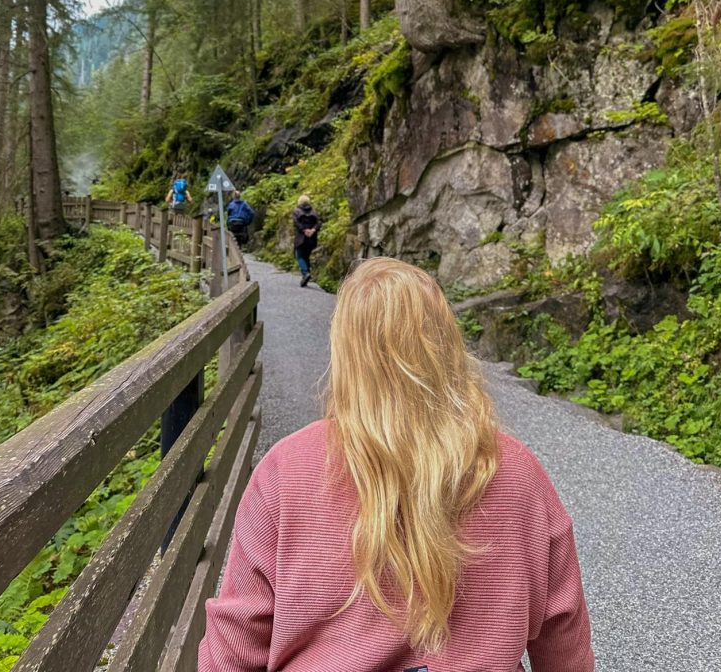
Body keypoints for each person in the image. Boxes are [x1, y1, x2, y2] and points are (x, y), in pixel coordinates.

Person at [198, 258, 595, 672]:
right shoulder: (517, 472)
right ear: (447, 345)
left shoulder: (286, 470)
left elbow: (233, 647)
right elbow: (564, 635)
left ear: (345, 353)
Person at [292, 193, 321, 287]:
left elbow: (296, 223)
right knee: (307, 256)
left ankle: (305, 273)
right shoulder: (313, 211)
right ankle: (307, 273)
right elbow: (319, 222)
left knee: (300, 256)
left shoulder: (296, 211)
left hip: (301, 238)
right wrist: (313, 230)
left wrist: (304, 230)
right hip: (311, 238)